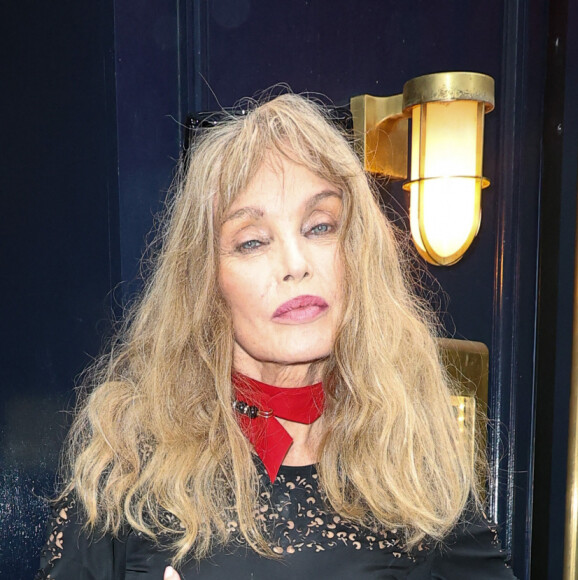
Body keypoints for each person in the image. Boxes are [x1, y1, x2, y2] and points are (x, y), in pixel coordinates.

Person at [36, 93, 516, 579]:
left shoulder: (408, 458)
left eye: (320, 226)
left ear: (357, 254)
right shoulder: (128, 452)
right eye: (252, 241)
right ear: (205, 282)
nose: (295, 264)